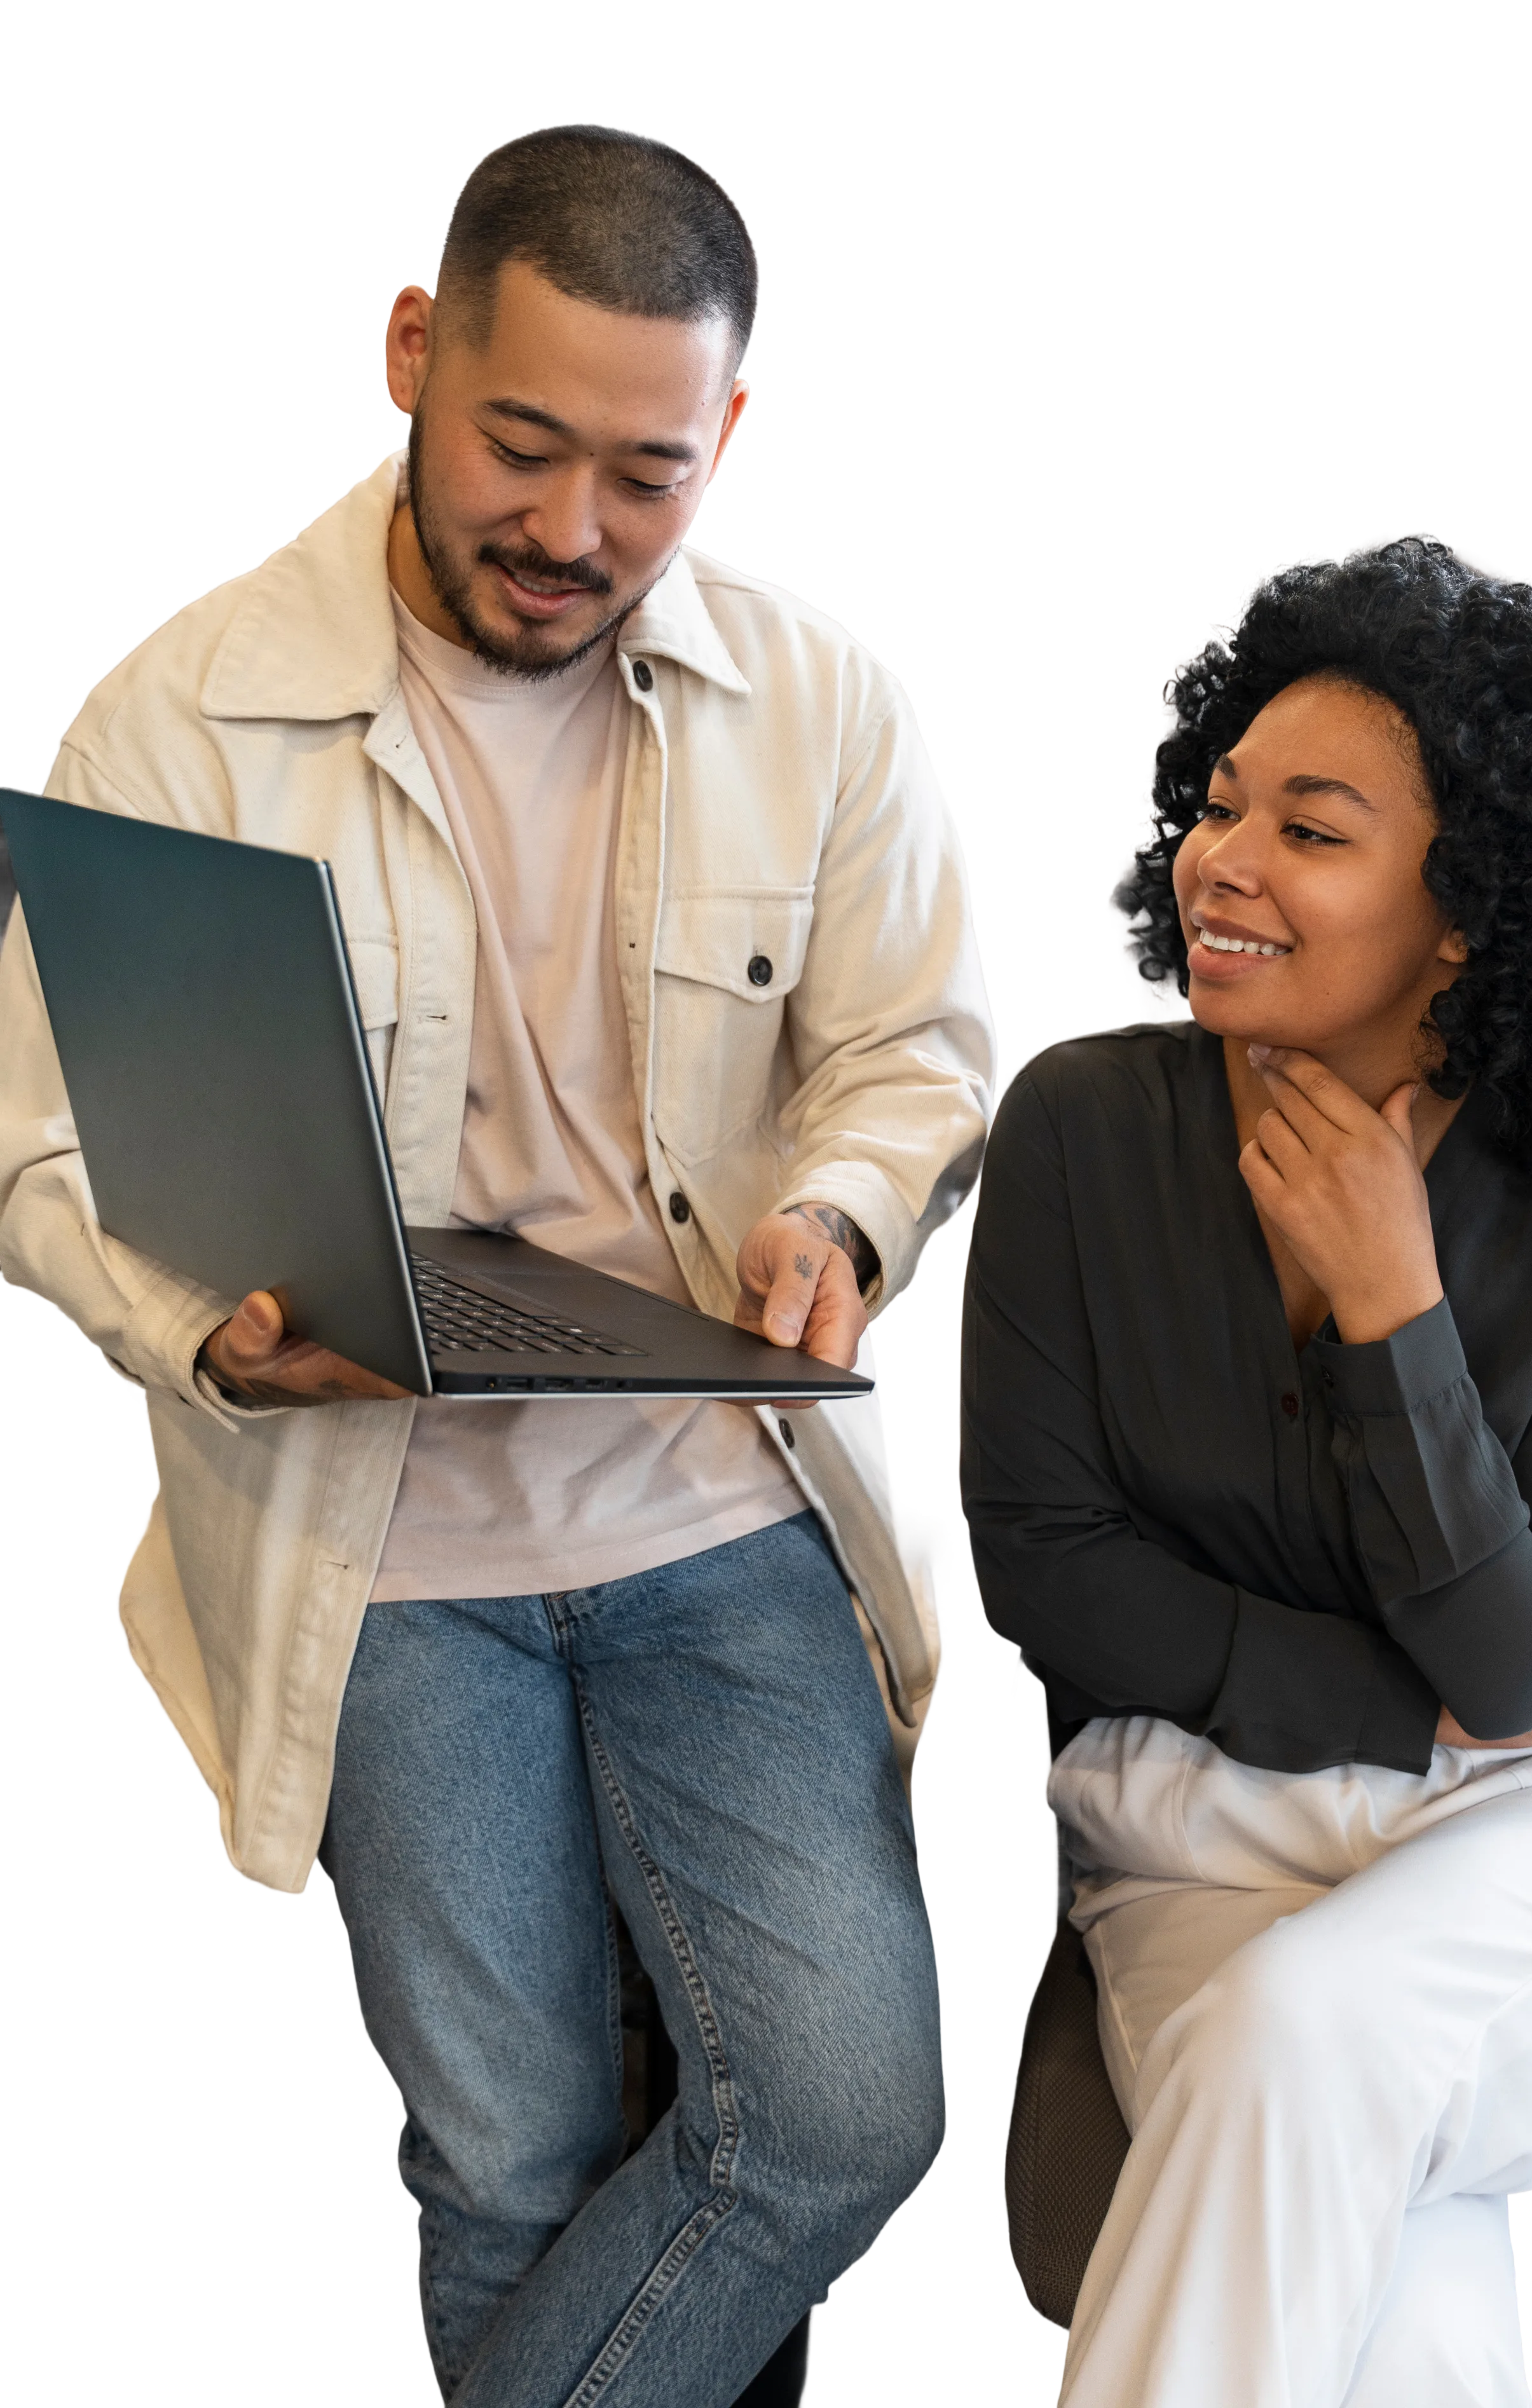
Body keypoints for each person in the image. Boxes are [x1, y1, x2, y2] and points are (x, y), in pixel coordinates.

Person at [0, 124, 996, 2405]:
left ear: (727, 433)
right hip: (382, 1552)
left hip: (722, 1503)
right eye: (519, 447)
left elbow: (921, 1053)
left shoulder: (827, 697)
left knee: (844, 2123)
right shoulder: (179, 713)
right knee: (506, 2169)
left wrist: (839, 1208)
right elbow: (45, 1153)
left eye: (645, 477)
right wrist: (214, 1339)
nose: (571, 532)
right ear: (412, 351)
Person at [961, 540, 1532, 2406]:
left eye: (1311, 831)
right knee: (1409, 2338)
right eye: (1218, 808)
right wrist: (1424, 1712)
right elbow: (1048, 1571)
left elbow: (1522, 1675)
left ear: (1467, 909)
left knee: (1302, 2044)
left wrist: (1395, 1306)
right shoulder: (1081, 1127)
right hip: (1196, 1829)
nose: (1220, 863)